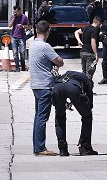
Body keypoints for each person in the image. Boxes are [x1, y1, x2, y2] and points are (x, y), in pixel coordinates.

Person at [29, 20, 64, 156]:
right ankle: (40, 148)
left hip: (36, 85)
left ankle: (37, 146)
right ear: (47, 31)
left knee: (38, 117)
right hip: (44, 85)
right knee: (42, 118)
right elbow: (60, 61)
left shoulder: (33, 45)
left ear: (36, 31)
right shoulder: (45, 46)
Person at [52, 71, 98, 156]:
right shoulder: (87, 81)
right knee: (87, 116)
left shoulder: (67, 74)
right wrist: (87, 107)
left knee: (59, 117)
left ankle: (62, 149)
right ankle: (85, 146)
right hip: (72, 87)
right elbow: (89, 101)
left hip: (58, 86)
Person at [75, 15, 101, 80]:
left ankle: (82, 88)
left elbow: (76, 32)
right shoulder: (95, 30)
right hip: (90, 53)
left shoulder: (86, 28)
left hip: (83, 52)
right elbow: (93, 42)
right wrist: (96, 54)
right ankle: (87, 88)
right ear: (98, 22)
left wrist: (79, 41)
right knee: (89, 73)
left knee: (84, 72)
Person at [8, 6, 30, 72]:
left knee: (22, 52)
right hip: (14, 37)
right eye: (14, 12)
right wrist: (14, 18)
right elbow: (9, 26)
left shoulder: (24, 17)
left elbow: (29, 26)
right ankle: (17, 67)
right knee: (15, 53)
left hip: (22, 37)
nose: (15, 13)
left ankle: (23, 66)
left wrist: (23, 26)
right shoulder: (13, 17)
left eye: (16, 12)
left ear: (20, 11)